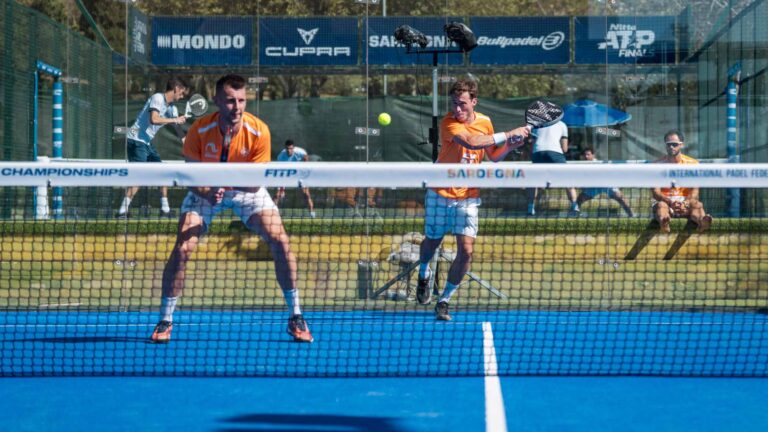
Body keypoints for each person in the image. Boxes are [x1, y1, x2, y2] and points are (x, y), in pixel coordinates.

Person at [149, 74, 313, 343]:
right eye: (229, 101)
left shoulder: (259, 131)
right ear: (216, 100)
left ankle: (296, 315)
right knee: (182, 248)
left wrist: (226, 185)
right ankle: (165, 319)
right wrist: (208, 191)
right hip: (206, 191)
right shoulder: (198, 131)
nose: (236, 107)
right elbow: (192, 178)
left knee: (281, 240)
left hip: (246, 191)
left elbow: (254, 184)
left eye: (241, 100)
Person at [415, 78, 530, 321]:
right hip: (439, 192)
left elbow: (493, 155)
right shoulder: (448, 123)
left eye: (462, 104)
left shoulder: (485, 122)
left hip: (468, 196)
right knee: (432, 243)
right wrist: (508, 134)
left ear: (474, 102)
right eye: (454, 103)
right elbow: (472, 142)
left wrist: (511, 145)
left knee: (466, 251)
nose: (457, 109)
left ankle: (444, 301)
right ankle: (424, 274)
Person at [116, 77, 188, 218]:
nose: (182, 96)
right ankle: (122, 211)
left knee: (163, 173)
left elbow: (177, 128)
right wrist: (174, 119)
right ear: (176, 89)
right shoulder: (158, 98)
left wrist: (186, 142)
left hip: (146, 143)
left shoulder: (172, 108)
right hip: (136, 140)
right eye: (182, 92)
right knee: (138, 176)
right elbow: (153, 119)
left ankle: (165, 210)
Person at [652, 130, 713, 233]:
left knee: (697, 205)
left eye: (674, 144)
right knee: (661, 206)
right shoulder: (656, 165)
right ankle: (664, 222)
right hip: (665, 202)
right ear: (665, 145)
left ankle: (702, 222)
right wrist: (670, 202)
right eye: (669, 144)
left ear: (681, 145)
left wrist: (685, 203)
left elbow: (695, 191)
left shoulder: (693, 164)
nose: (671, 147)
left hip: (685, 201)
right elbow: (655, 192)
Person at [526, 117, 578, 216]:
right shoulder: (562, 124)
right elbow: (565, 149)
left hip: (538, 152)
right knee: (568, 180)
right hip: (555, 153)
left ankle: (530, 208)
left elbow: (532, 146)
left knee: (533, 181)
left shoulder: (536, 124)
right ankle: (575, 206)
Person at [575, 148, 635, 217]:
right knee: (579, 199)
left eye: (588, 155)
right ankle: (575, 213)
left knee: (621, 198)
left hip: (606, 184)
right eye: (585, 155)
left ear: (593, 155)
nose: (586, 156)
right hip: (593, 187)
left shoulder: (598, 163)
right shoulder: (583, 165)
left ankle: (631, 215)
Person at [275, 139, 316, 218]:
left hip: (298, 174)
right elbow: (280, 170)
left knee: (306, 194)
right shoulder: (281, 156)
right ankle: (273, 213)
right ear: (285, 148)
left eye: (291, 148)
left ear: (293, 148)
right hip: (286, 174)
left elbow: (306, 158)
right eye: (287, 149)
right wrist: (282, 187)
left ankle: (312, 212)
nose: (289, 150)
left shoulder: (300, 152)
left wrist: (303, 169)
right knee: (277, 195)